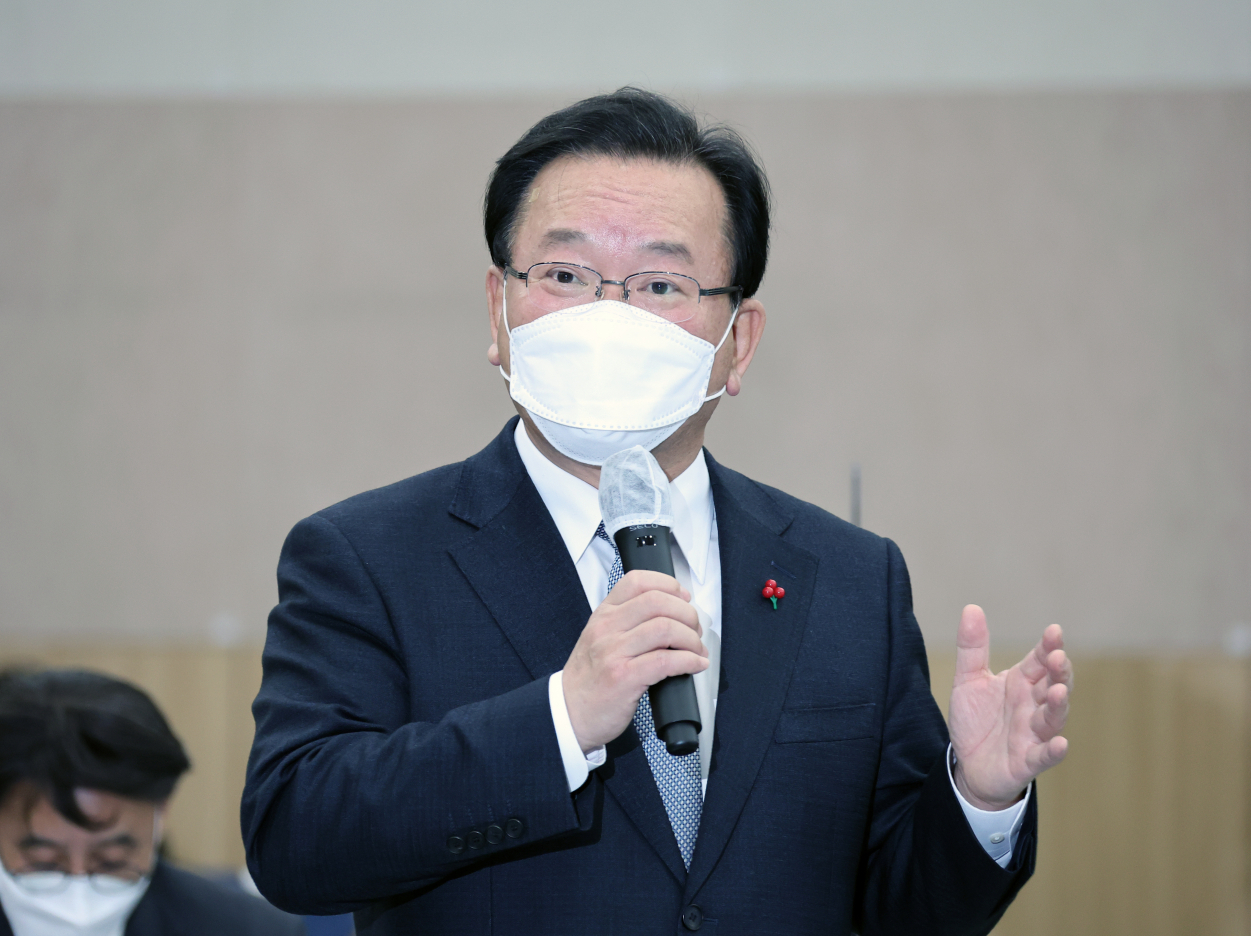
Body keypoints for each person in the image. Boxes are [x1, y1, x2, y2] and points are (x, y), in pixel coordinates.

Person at [242, 88, 1073, 935]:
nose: (609, 318)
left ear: (737, 343)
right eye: (565, 275)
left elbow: (906, 912)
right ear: (498, 309)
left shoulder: (851, 579)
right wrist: (562, 719)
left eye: (661, 283)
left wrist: (978, 794)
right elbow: (294, 838)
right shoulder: (367, 557)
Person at [0, 668, 304, 936]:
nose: (79, 896)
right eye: (44, 862)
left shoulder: (249, 930)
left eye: (112, 861)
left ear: (161, 812)